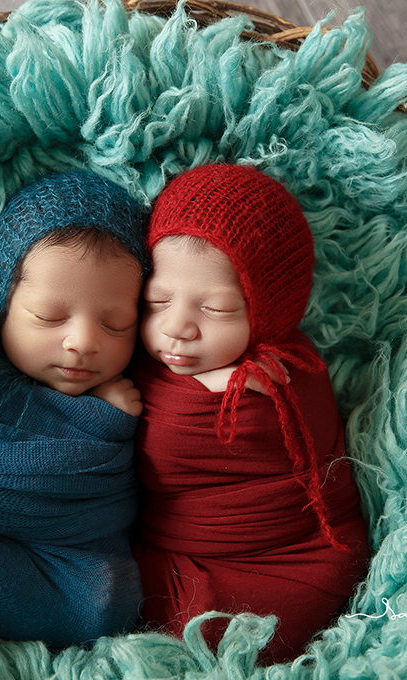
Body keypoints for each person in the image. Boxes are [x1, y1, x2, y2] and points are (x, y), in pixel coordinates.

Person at [132, 164, 369, 663]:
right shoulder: (135, 358)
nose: (176, 327)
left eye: (215, 310)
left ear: (268, 311)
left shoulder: (289, 375)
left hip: (293, 561)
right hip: (178, 548)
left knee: (177, 617)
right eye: (157, 300)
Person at [0, 170, 148, 648]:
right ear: (3, 306)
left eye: (116, 324)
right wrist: (96, 420)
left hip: (85, 559)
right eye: (49, 316)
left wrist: (107, 421)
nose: (83, 342)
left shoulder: (134, 391)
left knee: (111, 594)